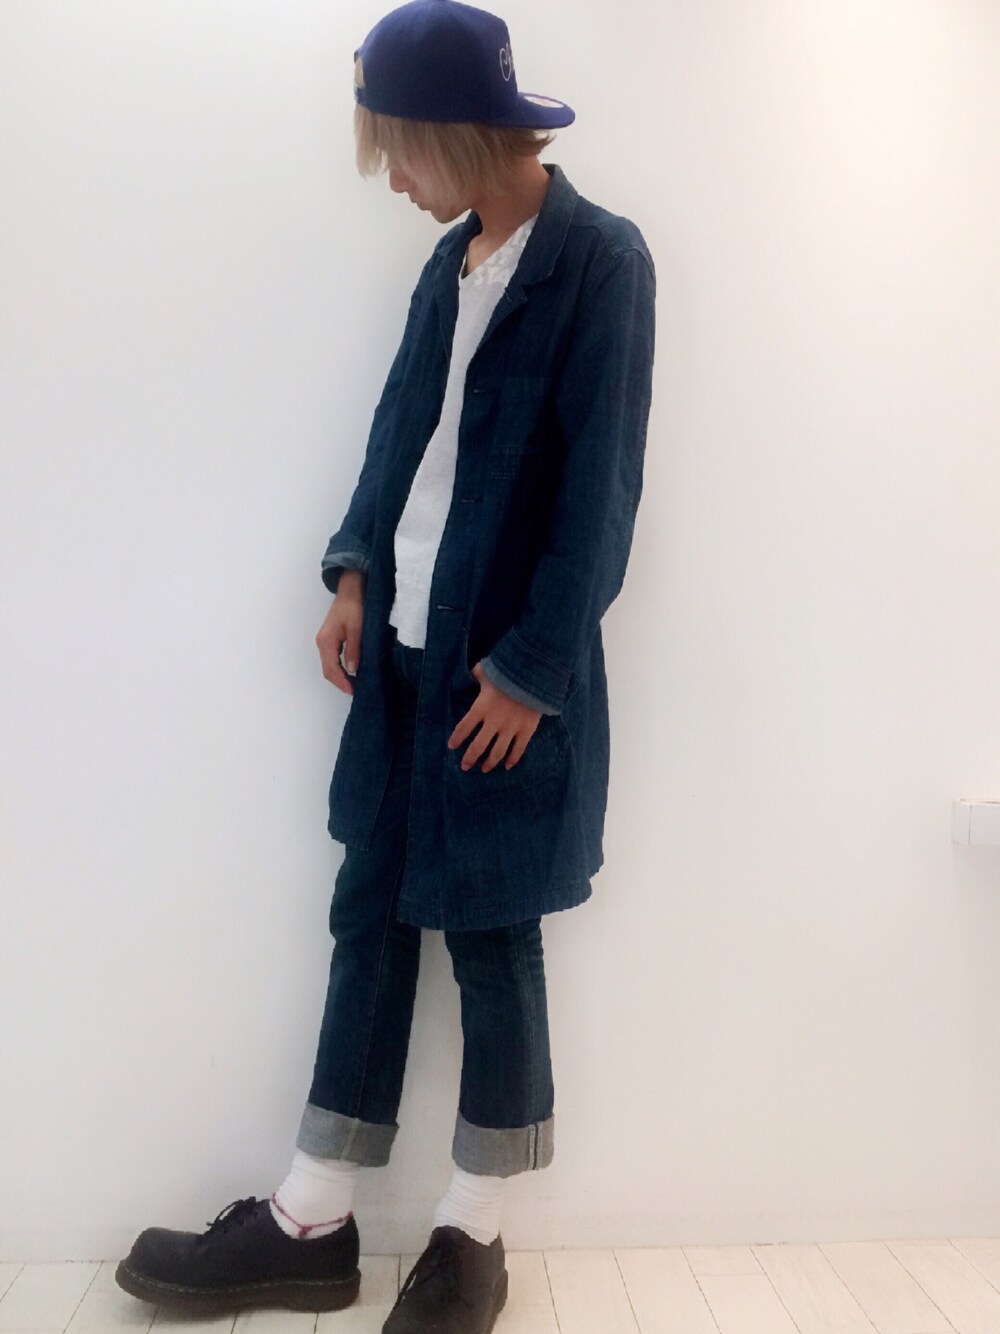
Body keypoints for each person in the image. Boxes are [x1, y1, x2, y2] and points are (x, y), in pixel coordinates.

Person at [115, 1, 656, 1329]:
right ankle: (312, 1219)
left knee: (491, 935)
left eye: (398, 153)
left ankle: (474, 1236)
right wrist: (356, 569)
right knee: (368, 916)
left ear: (452, 133)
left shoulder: (601, 263)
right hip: (404, 669)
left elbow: (601, 495)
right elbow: (399, 430)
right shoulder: (447, 265)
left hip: (497, 683)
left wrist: (532, 670)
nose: (394, 181)